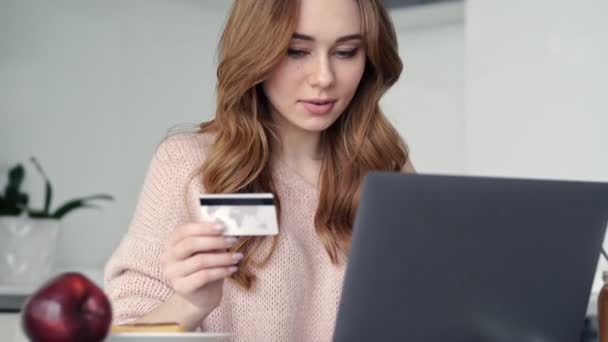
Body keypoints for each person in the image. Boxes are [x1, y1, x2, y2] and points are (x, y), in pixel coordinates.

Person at [104, 0, 415, 340]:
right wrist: (192, 302)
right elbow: (126, 332)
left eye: (345, 52)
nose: (324, 78)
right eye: (297, 51)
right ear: (257, 51)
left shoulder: (387, 172)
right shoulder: (190, 166)